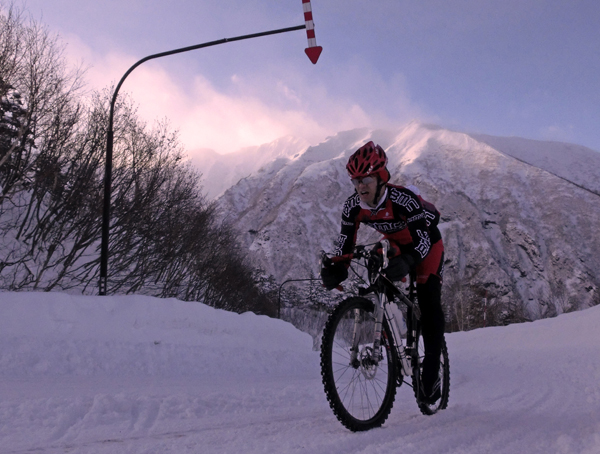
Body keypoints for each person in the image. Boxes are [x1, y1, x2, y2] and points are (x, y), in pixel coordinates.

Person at [321, 141, 445, 404]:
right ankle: (390, 332)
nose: (360, 186)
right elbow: (346, 244)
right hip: (398, 244)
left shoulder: (403, 199)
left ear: (381, 177)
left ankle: (433, 367)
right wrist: (339, 268)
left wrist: (410, 260)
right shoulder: (353, 206)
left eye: (366, 179)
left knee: (427, 300)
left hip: (427, 244)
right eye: (355, 181)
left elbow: (422, 240)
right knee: (376, 267)